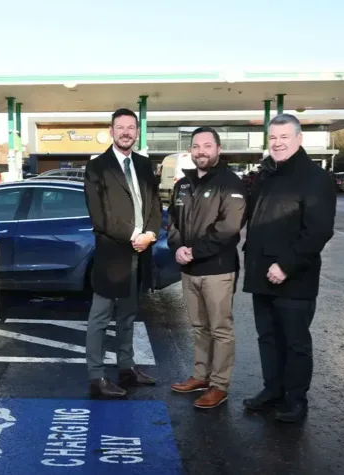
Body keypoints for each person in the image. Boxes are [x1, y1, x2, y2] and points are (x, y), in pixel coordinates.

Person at [242, 113, 337, 422]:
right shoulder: (268, 174)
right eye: (273, 138)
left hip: (294, 278)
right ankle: (273, 390)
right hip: (261, 275)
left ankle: (296, 400)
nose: (278, 143)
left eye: (284, 137)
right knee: (267, 337)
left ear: (299, 139)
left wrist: (286, 266)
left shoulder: (315, 177)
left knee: (295, 342)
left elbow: (318, 230)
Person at [82, 108, 162, 398]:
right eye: (120, 127)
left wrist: (151, 234)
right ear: (111, 131)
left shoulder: (143, 164)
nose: (126, 132)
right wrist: (134, 235)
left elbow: (155, 205)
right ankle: (96, 378)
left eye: (131, 127)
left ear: (137, 132)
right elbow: (100, 217)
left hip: (141, 253)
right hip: (112, 255)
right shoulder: (97, 167)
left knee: (128, 315)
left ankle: (126, 369)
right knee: (100, 318)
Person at [167, 127, 248, 409]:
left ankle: (219, 385)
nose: (201, 151)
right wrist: (177, 246)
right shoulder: (183, 184)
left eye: (207, 146)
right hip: (189, 271)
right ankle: (201, 376)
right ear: (191, 150)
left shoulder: (231, 183)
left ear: (218, 149)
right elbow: (173, 221)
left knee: (220, 329)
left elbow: (228, 229)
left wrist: (194, 252)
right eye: (196, 146)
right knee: (199, 327)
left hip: (217, 270)